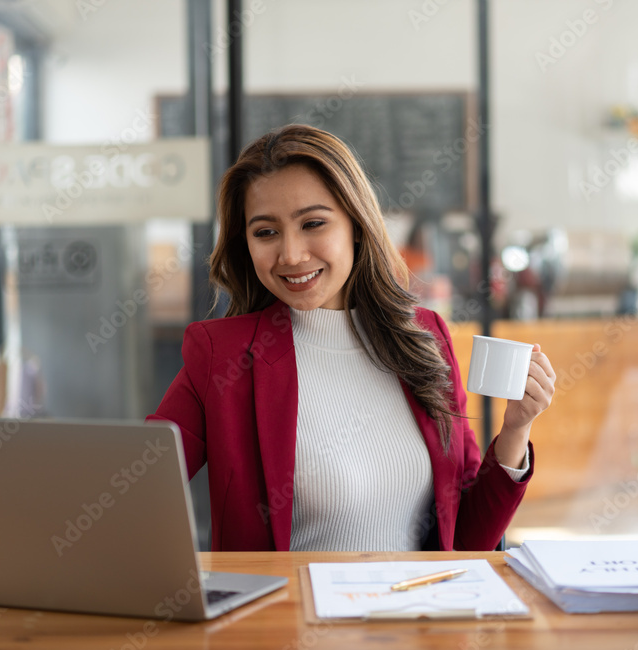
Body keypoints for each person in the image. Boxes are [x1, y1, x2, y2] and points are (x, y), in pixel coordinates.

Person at [150, 124, 556, 551]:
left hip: (418, 611)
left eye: (313, 223)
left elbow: (468, 540)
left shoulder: (424, 337)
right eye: (265, 232)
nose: (290, 254)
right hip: (288, 616)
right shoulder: (223, 355)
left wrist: (515, 430)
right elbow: (138, 485)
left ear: (357, 225)